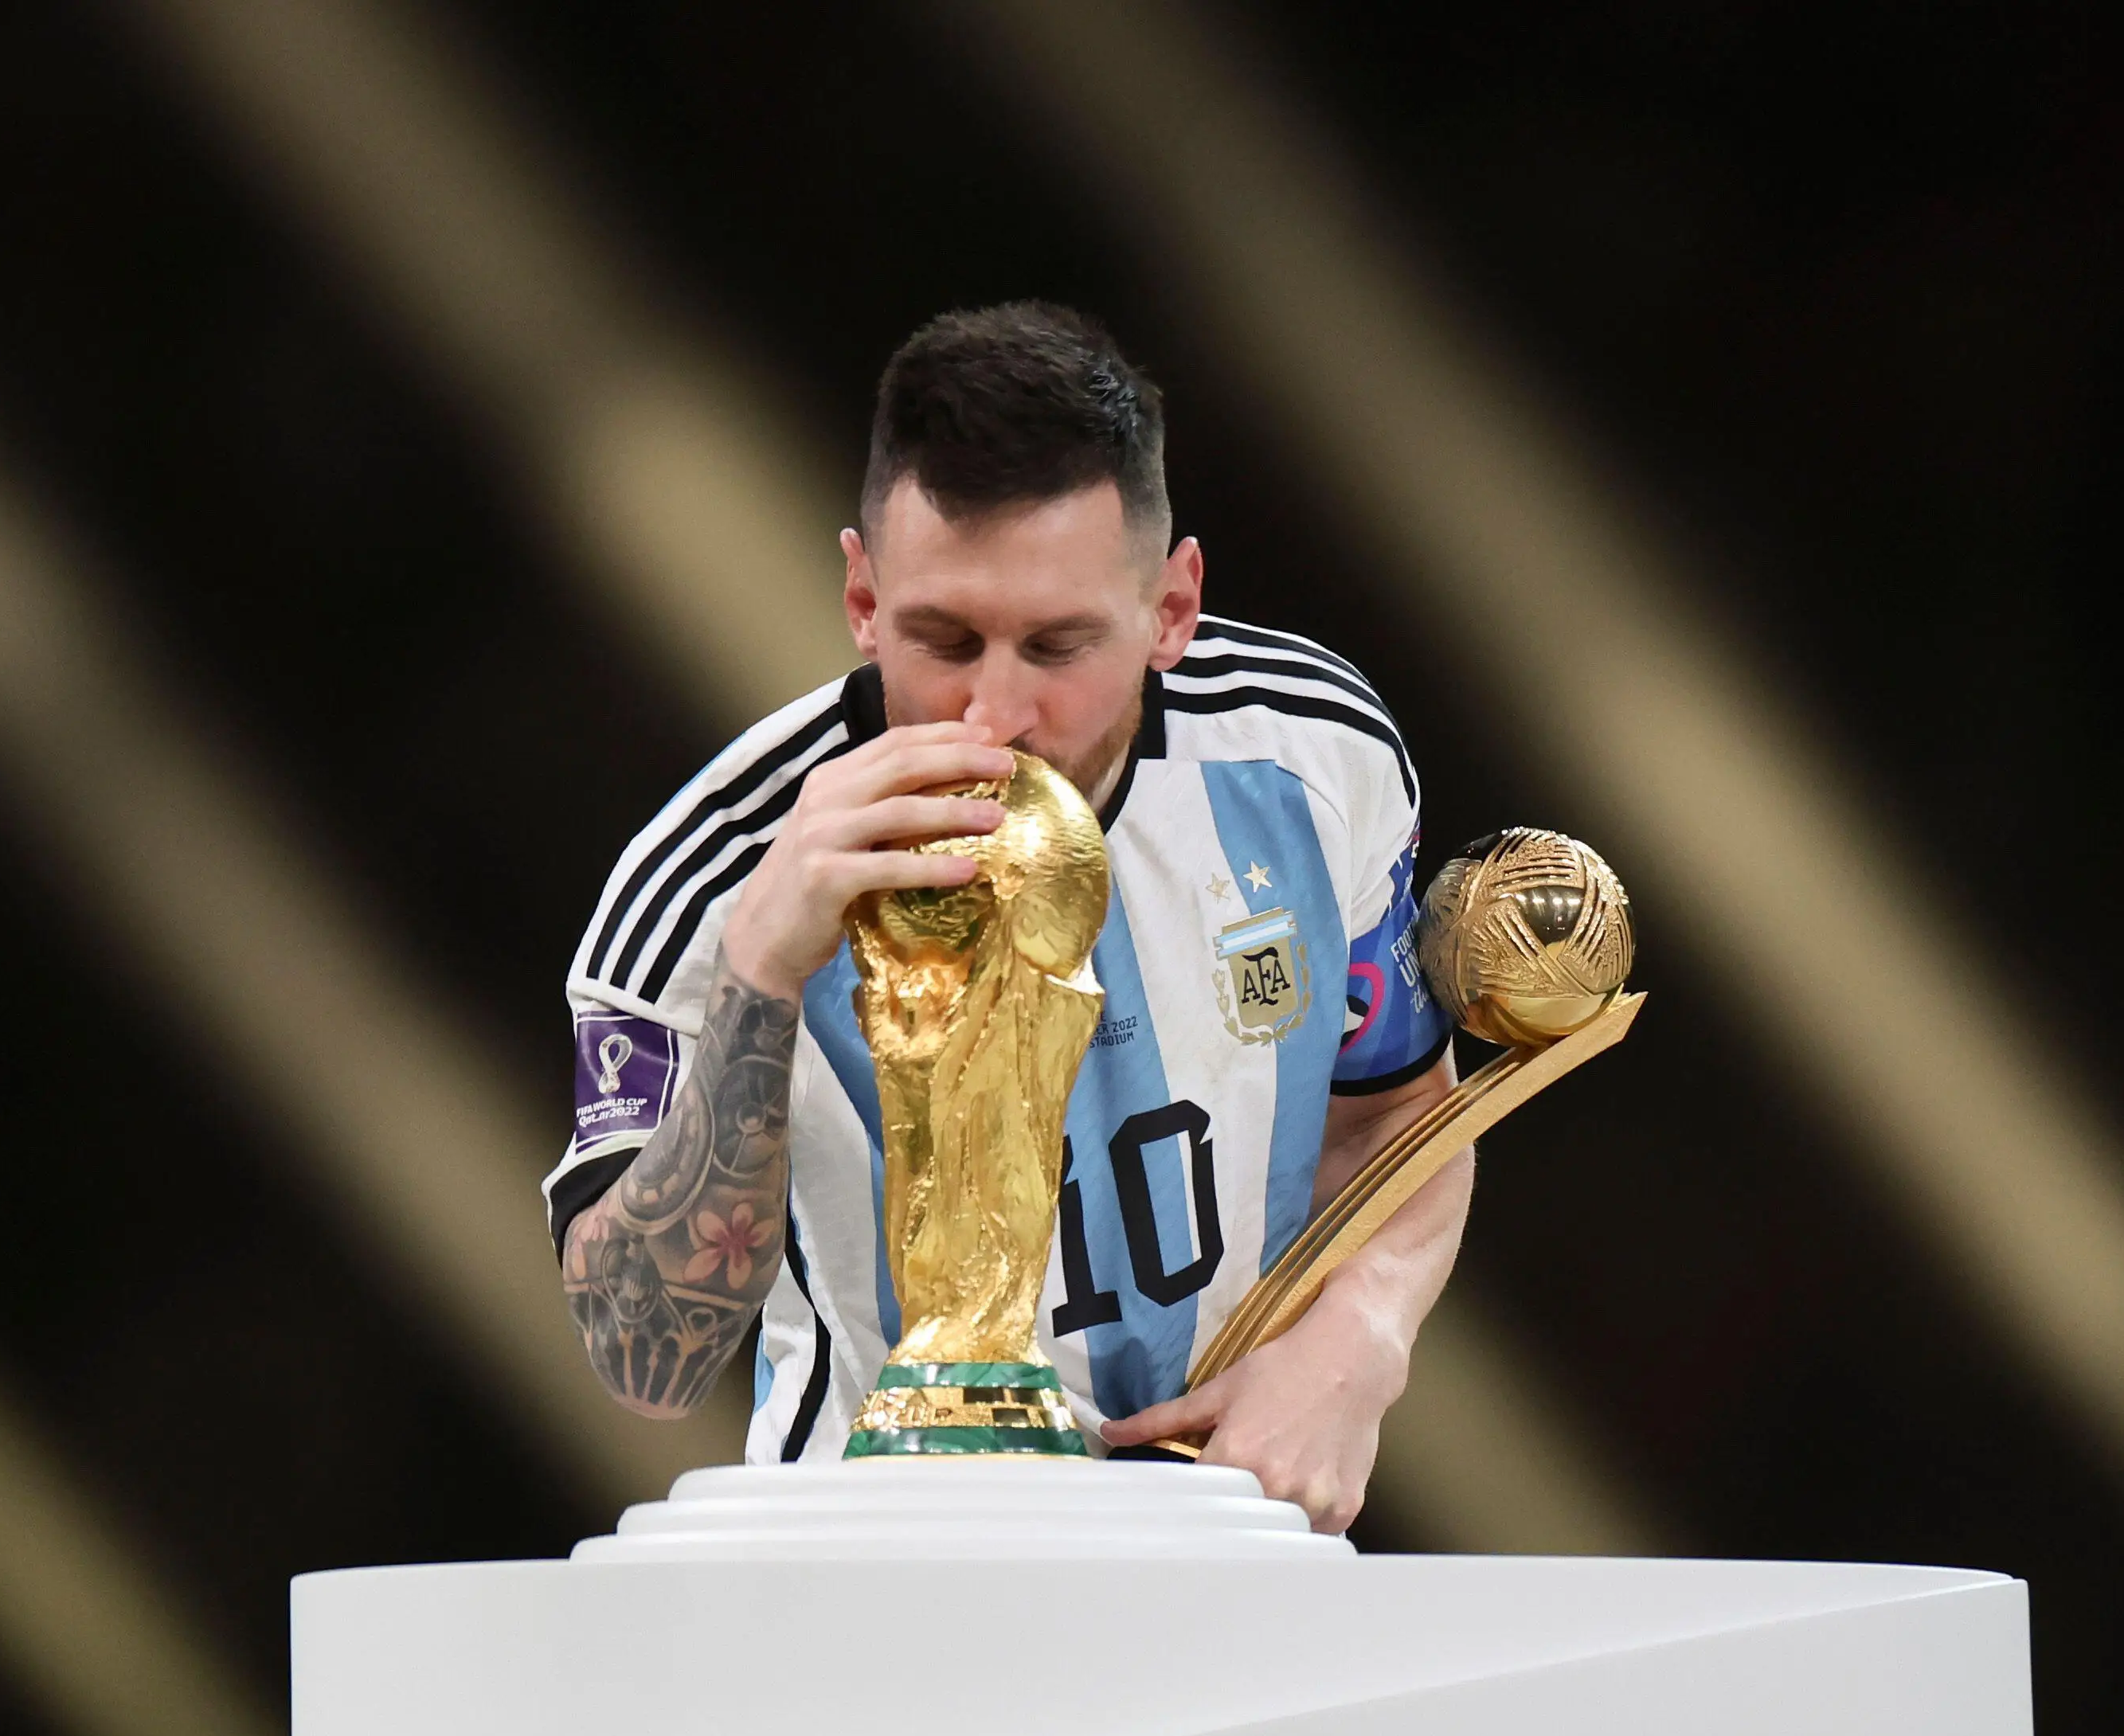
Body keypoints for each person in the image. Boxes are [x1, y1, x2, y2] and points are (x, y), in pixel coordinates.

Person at [545, 303, 1469, 1532]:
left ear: (1173, 610)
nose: (997, 713)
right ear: (864, 601)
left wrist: (1363, 1331)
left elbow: (1403, 1113)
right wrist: (761, 973)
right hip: (874, 1582)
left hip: (1236, 1544)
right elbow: (644, 1359)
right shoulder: (708, 883)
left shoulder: (1312, 757)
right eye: (943, 638)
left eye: (1057, 644)